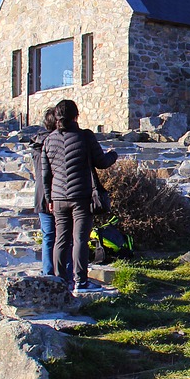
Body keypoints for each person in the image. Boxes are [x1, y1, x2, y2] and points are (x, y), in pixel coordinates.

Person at [40, 99, 118, 293]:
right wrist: (113, 155)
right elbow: (101, 162)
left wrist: (49, 199)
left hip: (58, 198)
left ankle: (60, 283)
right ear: (76, 116)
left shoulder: (49, 140)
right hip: (81, 196)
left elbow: (45, 175)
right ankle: (80, 282)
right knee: (80, 239)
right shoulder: (85, 136)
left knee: (61, 239)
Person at [28, 105, 58, 275]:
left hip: (40, 194)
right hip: (58, 193)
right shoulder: (55, 142)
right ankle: (65, 274)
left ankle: (47, 272)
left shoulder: (36, 143)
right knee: (63, 237)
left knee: (48, 236)